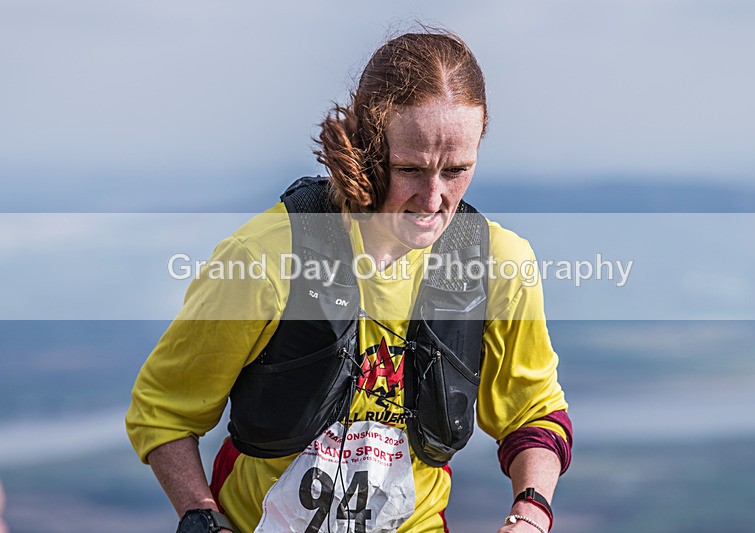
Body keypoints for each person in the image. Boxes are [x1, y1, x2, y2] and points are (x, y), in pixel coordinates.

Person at [126, 30, 572, 533]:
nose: (433, 200)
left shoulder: (499, 265)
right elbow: (163, 410)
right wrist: (202, 517)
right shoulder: (262, 260)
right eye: (410, 169)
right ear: (368, 146)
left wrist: (531, 513)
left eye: (456, 170)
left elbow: (534, 413)